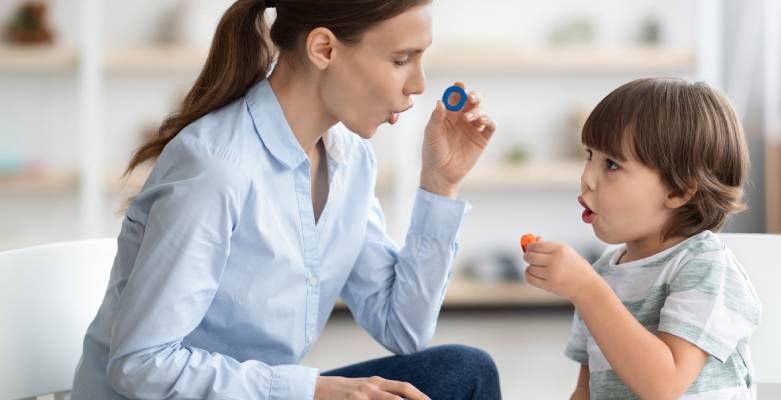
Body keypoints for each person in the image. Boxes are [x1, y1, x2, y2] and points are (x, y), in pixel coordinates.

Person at [71, 0, 500, 399]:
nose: (419, 85)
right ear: (324, 48)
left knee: (467, 372)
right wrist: (312, 390)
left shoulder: (349, 160)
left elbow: (403, 328)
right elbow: (140, 365)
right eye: (400, 60)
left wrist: (440, 184)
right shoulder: (215, 169)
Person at [523, 78, 761, 399]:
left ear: (678, 190)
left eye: (611, 164)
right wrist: (587, 289)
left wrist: (587, 291)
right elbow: (585, 389)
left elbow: (664, 385)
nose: (587, 178)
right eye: (589, 155)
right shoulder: (601, 273)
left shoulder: (704, 266)